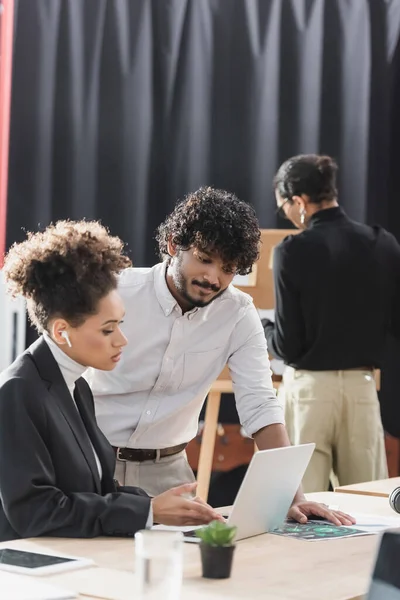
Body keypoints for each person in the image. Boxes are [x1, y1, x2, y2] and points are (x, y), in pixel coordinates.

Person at [87, 187, 354, 526]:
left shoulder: (238, 314)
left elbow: (260, 404)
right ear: (173, 245)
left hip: (170, 474)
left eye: (228, 268)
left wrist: (292, 494)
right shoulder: (115, 292)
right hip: (91, 463)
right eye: (204, 258)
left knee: (183, 574)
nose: (213, 278)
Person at [0, 220, 222, 542]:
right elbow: (36, 511)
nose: (122, 340)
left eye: (120, 324)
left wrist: (161, 505)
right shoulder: (17, 392)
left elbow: (99, 488)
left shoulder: (76, 385)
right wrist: (149, 512)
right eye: (107, 330)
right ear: (62, 331)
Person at [263, 154, 400, 492]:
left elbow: (288, 345)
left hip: (309, 392)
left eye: (284, 209)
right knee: (369, 505)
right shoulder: (383, 243)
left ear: (299, 202)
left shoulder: (290, 251)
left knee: (301, 508)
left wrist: (262, 331)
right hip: (362, 388)